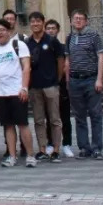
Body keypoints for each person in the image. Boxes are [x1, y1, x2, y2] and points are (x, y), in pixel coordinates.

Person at [0, 19, 36, 168]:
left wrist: (24, 87)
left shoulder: (19, 45)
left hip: (17, 91)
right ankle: (12, 156)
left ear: (9, 31)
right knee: (8, 125)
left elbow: (26, 67)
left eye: (2, 30)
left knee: (22, 124)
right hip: (1, 93)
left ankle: (30, 155)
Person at [65, 9, 103, 160]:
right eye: (75, 18)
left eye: (81, 18)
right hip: (75, 80)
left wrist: (99, 79)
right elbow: (67, 61)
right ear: (71, 21)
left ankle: (96, 148)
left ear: (86, 21)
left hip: (91, 79)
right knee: (79, 116)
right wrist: (68, 80)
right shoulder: (69, 37)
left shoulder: (94, 36)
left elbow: (101, 57)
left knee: (95, 115)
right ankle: (84, 148)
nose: (78, 21)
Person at [24, 11, 64, 164]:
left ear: (43, 22)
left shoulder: (52, 41)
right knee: (39, 120)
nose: (35, 24)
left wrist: (58, 79)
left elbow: (60, 60)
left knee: (55, 119)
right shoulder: (27, 43)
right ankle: (42, 149)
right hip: (34, 86)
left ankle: (56, 150)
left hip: (51, 85)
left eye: (38, 21)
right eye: (32, 21)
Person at [45, 19, 74, 158]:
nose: (51, 30)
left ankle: (67, 144)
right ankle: (50, 143)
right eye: (48, 28)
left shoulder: (63, 47)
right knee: (49, 116)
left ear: (58, 30)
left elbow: (66, 66)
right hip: (47, 86)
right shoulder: (43, 46)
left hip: (61, 86)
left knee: (65, 117)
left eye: (53, 28)